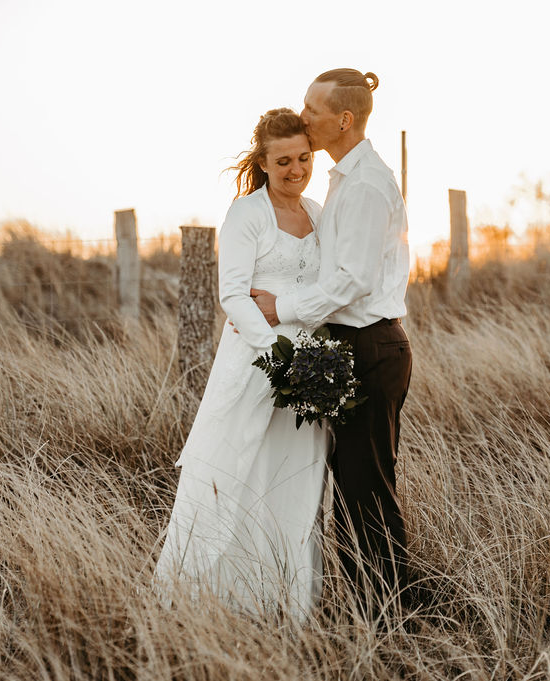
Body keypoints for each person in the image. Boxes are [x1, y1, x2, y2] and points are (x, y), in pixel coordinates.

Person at [153, 108, 328, 622]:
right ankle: (210, 607)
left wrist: (311, 363)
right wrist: (282, 358)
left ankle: (282, 609)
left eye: (303, 158)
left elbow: (331, 289)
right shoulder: (247, 214)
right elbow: (233, 296)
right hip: (259, 362)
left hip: (314, 372)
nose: (295, 170)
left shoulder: (319, 212)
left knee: (294, 477)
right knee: (236, 473)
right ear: (264, 162)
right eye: (283, 162)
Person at [250, 69, 412, 614]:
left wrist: (282, 307)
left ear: (344, 120)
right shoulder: (346, 176)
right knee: (354, 490)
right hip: (354, 345)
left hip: (370, 346)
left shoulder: (364, 185)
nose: (303, 117)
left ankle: (388, 619)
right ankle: (370, 610)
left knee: (367, 493)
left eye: (312, 109)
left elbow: (353, 279)